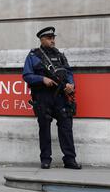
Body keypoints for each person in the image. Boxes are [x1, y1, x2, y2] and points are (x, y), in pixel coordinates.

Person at [23, 27, 82, 170]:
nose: (52, 40)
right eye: (49, 38)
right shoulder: (33, 56)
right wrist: (42, 79)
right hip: (43, 96)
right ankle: (45, 159)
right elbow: (26, 75)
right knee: (44, 128)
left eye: (53, 37)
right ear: (41, 40)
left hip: (61, 96)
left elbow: (68, 72)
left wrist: (70, 84)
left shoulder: (60, 55)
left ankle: (70, 159)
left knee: (66, 127)